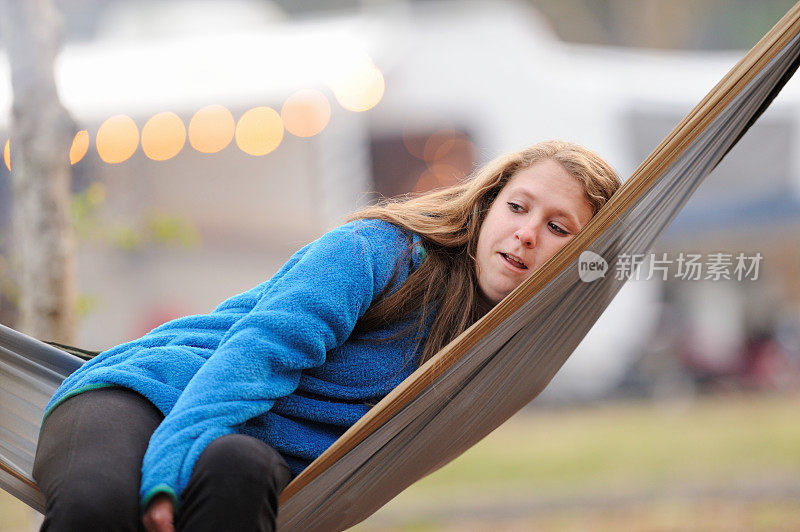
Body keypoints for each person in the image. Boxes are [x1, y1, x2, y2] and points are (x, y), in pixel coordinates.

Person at [32, 140, 621, 531]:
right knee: (97, 513)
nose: (524, 234)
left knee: (239, 467)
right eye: (517, 207)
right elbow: (258, 353)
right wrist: (166, 475)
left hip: (247, 447)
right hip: (147, 396)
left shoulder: (502, 351)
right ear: (488, 204)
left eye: (557, 228)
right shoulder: (380, 252)